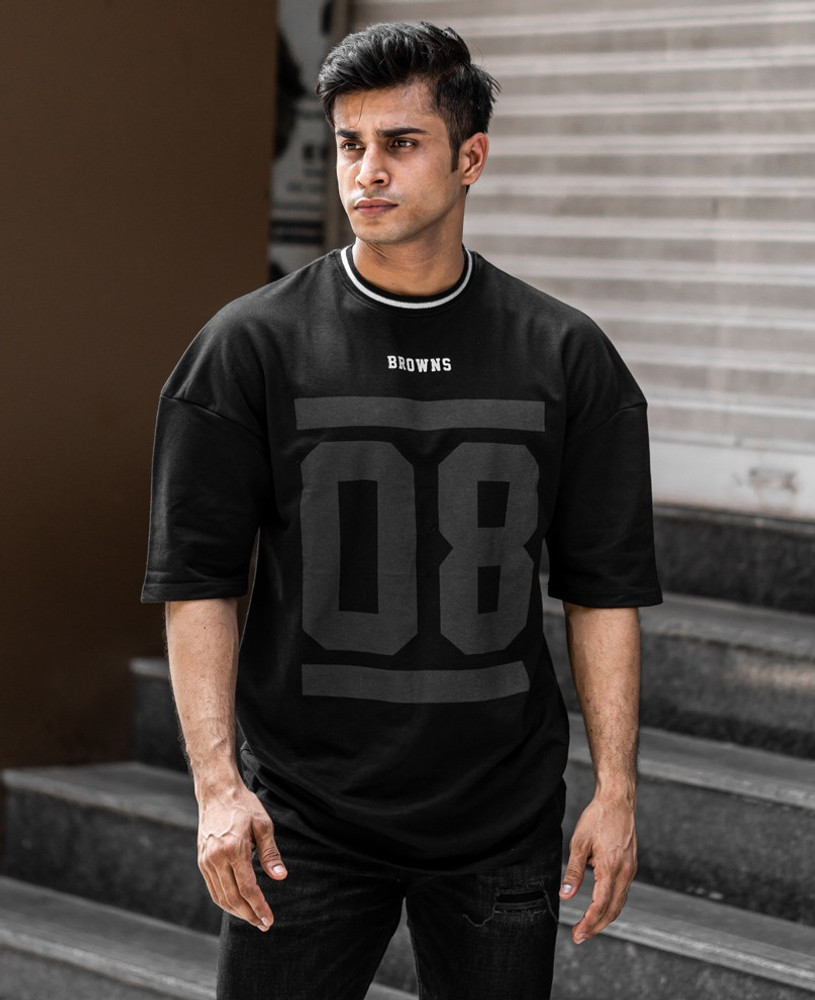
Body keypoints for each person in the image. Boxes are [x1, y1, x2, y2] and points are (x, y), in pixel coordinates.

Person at [142, 20, 662, 1000]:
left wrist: (616, 790)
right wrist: (217, 787)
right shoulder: (245, 349)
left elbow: (603, 590)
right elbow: (197, 581)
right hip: (303, 819)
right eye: (349, 143)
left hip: (500, 818)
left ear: (471, 158)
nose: (365, 171)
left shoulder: (566, 355)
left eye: (400, 142)